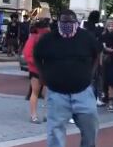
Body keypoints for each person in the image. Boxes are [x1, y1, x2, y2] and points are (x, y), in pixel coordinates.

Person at [33, 10, 102, 147]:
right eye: (64, 22)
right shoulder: (48, 39)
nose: (67, 25)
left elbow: (97, 54)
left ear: (76, 22)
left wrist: (91, 75)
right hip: (57, 93)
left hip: (83, 92)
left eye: (71, 22)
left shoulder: (87, 38)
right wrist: (43, 76)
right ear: (58, 22)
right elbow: (36, 56)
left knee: (91, 128)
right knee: (55, 130)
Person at [23, 18, 50, 123]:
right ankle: (35, 115)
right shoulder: (35, 38)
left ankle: (38, 115)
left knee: (42, 93)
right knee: (37, 92)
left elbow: (27, 54)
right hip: (38, 69)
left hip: (41, 68)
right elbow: (28, 54)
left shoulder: (42, 38)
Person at [83, 10, 105, 106]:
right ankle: (95, 98)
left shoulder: (85, 26)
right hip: (95, 54)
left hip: (86, 54)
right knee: (95, 78)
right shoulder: (98, 29)